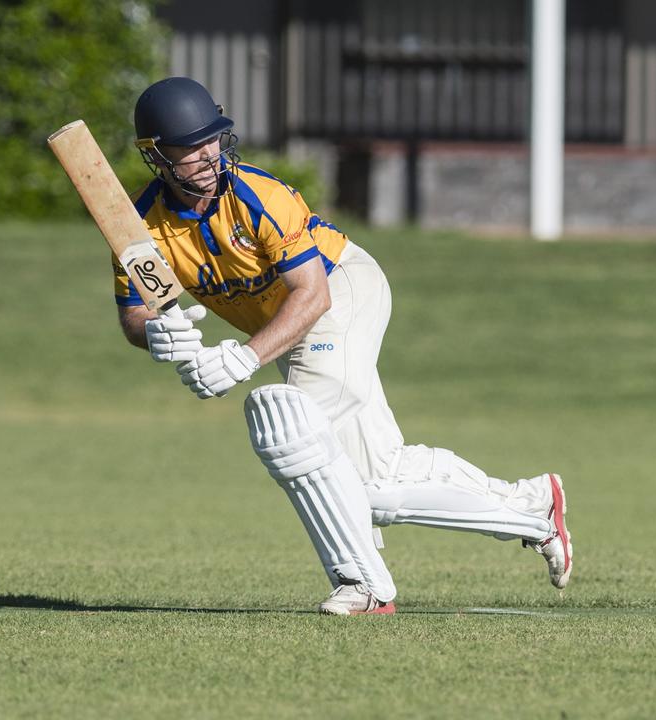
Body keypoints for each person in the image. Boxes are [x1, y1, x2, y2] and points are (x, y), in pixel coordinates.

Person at [114, 77, 572, 615]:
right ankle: (532, 507)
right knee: (371, 482)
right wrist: (159, 334)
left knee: (290, 425)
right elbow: (136, 315)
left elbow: (313, 295)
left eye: (212, 139)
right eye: (190, 148)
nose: (208, 155)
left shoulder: (261, 196)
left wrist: (243, 357)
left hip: (340, 290)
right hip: (285, 322)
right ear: (157, 156)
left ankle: (363, 584)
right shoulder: (142, 227)